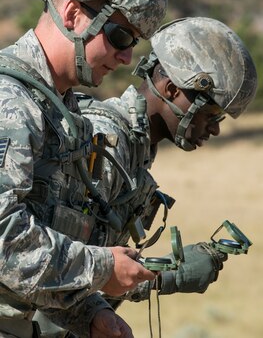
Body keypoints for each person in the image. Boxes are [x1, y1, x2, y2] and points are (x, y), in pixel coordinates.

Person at [34, 17, 257, 336]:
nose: (216, 129)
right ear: (172, 89)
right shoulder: (106, 147)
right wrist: (167, 275)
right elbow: (53, 268)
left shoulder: (137, 151)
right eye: (211, 115)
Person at [0, 0, 168, 336]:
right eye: (121, 35)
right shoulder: (10, 101)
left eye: (135, 42)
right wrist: (103, 268)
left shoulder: (60, 110)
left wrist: (89, 313)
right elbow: (4, 240)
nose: (127, 57)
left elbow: (42, 234)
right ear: (74, 14)